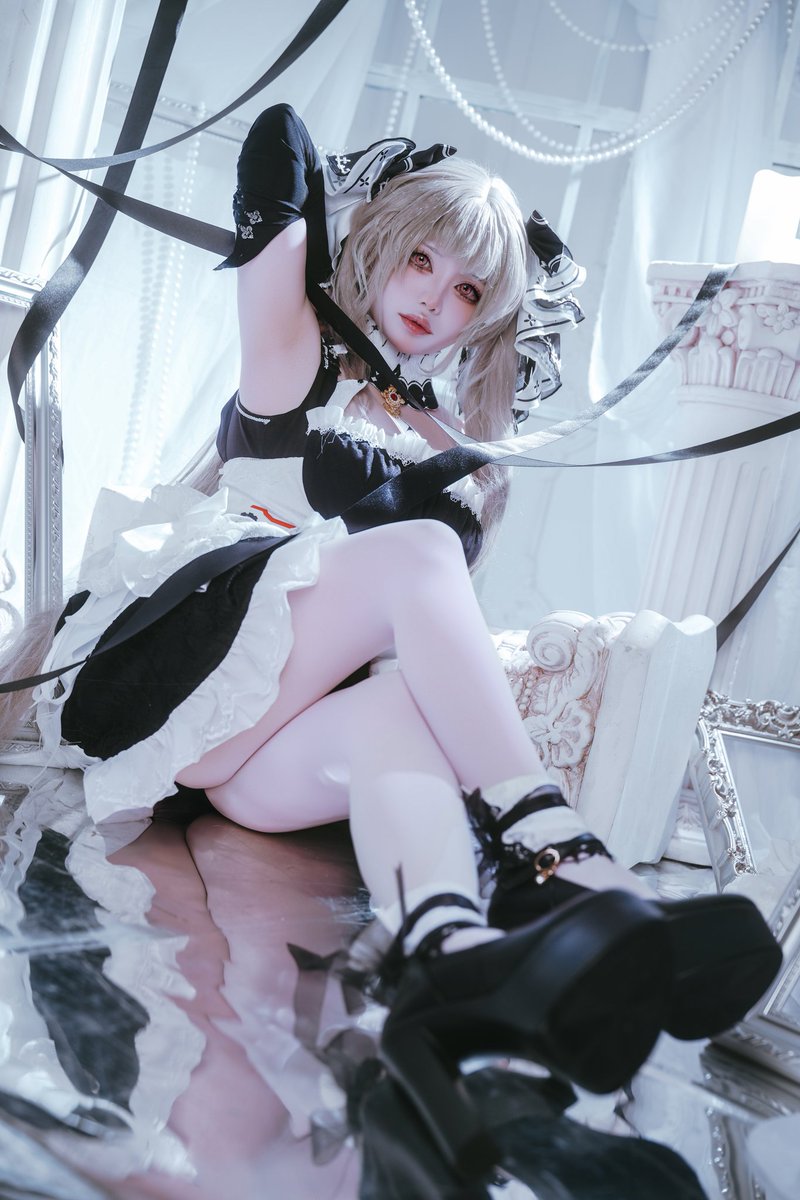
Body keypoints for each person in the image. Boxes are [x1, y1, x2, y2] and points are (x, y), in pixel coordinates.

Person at [1, 104, 781, 1181]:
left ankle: (448, 955)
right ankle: (560, 859)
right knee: (415, 553)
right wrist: (364, 208)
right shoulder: (292, 356)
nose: (433, 297)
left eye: (467, 289)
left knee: (393, 708)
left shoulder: (454, 445)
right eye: (420, 259)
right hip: (182, 676)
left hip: (265, 759)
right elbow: (277, 137)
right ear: (378, 246)